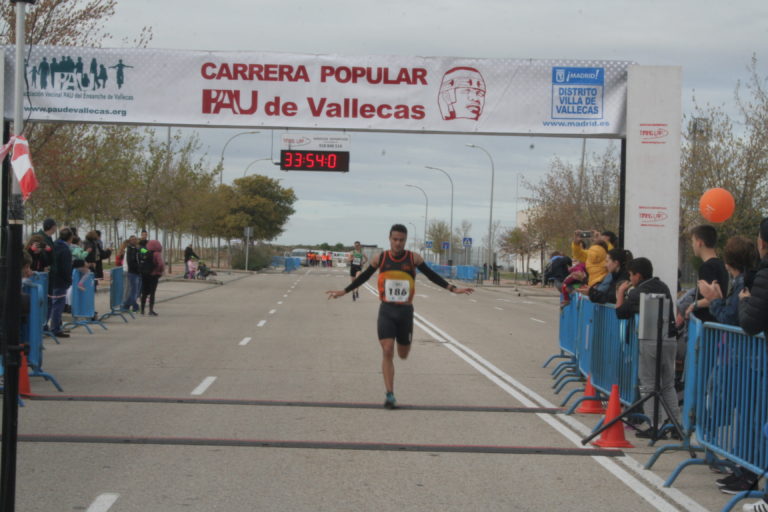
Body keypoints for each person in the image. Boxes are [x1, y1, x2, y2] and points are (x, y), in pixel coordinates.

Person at [326, 224, 474, 409]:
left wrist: (453, 289)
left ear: (405, 240)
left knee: (402, 354)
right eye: (395, 239)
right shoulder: (381, 258)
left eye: (401, 240)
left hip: (405, 312)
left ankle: (402, 351)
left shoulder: (413, 258)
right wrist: (344, 291)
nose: (398, 243)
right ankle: (390, 394)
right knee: (387, 350)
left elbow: (432, 276)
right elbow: (364, 277)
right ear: (389, 239)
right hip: (387, 310)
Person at [615, 257, 681, 438]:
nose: (630, 279)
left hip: (650, 339)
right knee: (668, 384)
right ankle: (675, 425)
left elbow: (621, 312)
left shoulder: (638, 292)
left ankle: (655, 425)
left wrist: (621, 292)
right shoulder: (663, 286)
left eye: (631, 275)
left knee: (648, 384)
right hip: (669, 339)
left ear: (638, 275)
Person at [698, 236, 756, 326]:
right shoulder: (751, 279)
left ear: (728, 262)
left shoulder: (741, 285)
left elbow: (729, 318)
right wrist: (718, 299)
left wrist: (714, 299)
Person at [686, 225, 729, 322]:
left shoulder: (707, 267)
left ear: (700, 243)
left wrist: (694, 305)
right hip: (716, 322)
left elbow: (715, 296)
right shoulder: (721, 264)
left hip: (707, 323)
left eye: (693, 242)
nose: (692, 245)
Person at [49, 228, 74, 338]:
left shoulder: (54, 245)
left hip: (53, 279)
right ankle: (55, 328)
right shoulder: (65, 250)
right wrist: (68, 279)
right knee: (58, 304)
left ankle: (55, 325)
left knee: (53, 303)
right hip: (61, 280)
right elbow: (66, 267)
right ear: (70, 238)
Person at [139, 239, 164, 316]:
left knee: (144, 292)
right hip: (153, 275)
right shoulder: (157, 254)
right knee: (152, 293)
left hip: (145, 274)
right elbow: (161, 264)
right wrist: (159, 271)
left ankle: (142, 310)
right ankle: (151, 310)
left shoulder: (146, 252)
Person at [122, 235, 141, 312]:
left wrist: (147, 251)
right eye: (132, 239)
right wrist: (138, 267)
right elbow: (131, 262)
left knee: (133, 290)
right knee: (132, 290)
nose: (134, 241)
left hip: (135, 272)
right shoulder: (129, 249)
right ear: (130, 241)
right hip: (130, 271)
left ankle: (128, 305)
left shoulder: (136, 248)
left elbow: (145, 251)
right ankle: (130, 305)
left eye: (135, 239)